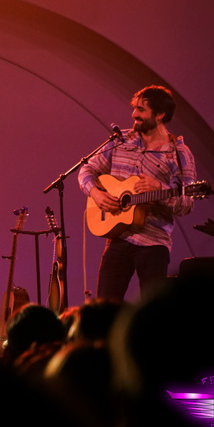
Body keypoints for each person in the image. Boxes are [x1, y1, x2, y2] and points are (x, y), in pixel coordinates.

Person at [77, 85, 196, 301]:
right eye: (134, 108)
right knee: (105, 309)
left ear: (159, 114)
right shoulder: (121, 141)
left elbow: (187, 202)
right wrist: (96, 194)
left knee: (153, 315)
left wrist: (160, 189)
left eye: (141, 110)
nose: (134, 114)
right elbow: (86, 170)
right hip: (117, 238)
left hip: (154, 244)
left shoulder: (178, 154)